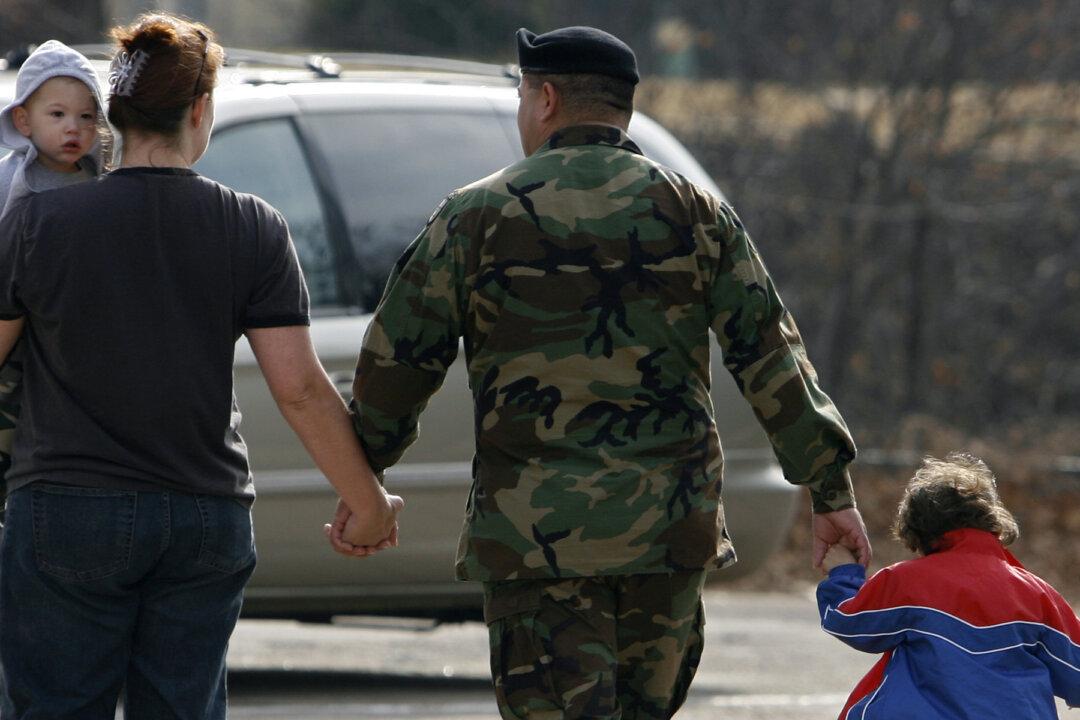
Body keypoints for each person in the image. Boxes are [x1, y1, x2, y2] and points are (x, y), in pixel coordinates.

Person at [342, 25, 870, 720]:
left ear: (547, 98)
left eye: (525, 94)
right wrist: (830, 490)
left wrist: (361, 480)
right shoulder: (695, 213)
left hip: (538, 543)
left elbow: (397, 365)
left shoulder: (475, 217)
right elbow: (771, 355)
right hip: (667, 540)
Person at [0, 14, 401, 719]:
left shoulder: (36, 226)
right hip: (203, 516)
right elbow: (301, 390)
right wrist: (366, 503)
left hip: (66, 510)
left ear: (115, 116)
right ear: (199, 109)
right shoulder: (253, 226)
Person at [818, 453, 1080, 719]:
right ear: (993, 523)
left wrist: (844, 572)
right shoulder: (1037, 594)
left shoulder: (909, 581)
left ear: (917, 534)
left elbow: (847, 620)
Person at [0, 40, 108, 510]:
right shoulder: (8, 182)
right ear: (23, 121)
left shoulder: (102, 183)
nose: (73, 129)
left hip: (70, 348)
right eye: (58, 115)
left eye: (87, 117)